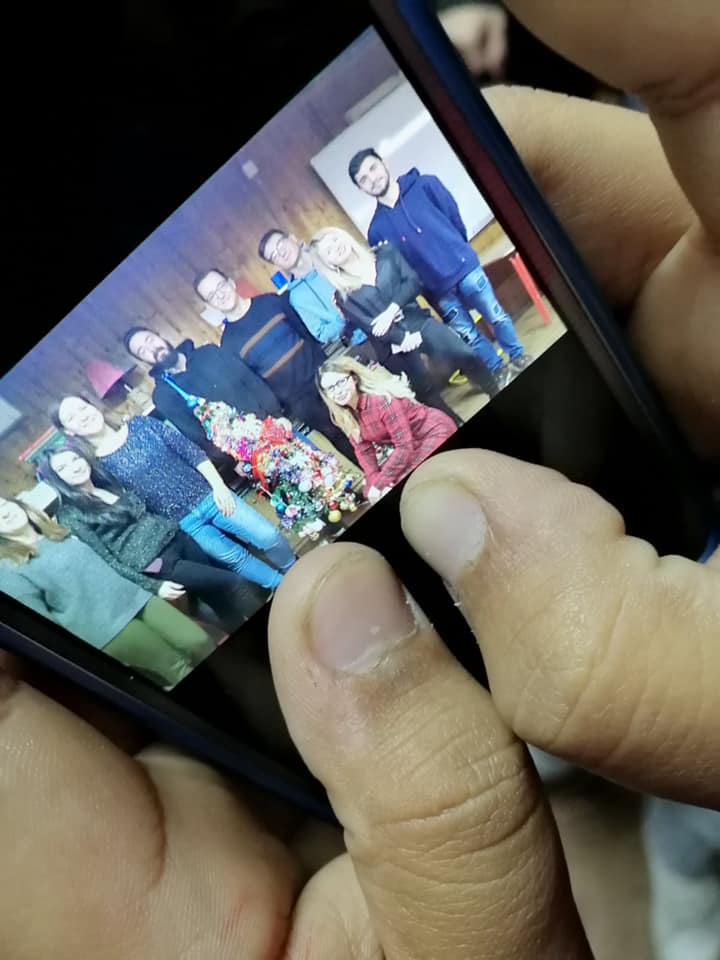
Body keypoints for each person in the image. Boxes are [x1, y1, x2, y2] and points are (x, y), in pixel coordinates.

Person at [3, 4, 719, 959]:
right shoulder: (154, 408)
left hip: (320, 422)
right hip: (248, 482)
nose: (197, 314)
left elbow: (277, 375)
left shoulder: (262, 316)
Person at [50, 396, 295, 590]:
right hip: (183, 526)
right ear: (68, 431)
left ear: (93, 405)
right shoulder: (96, 468)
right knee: (235, 559)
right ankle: (284, 587)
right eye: (71, 417)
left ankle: (294, 569)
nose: (82, 416)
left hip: (211, 497)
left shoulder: (140, 424)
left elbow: (190, 451)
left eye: (82, 407)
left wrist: (219, 486)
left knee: (268, 535)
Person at [37, 441, 266, 632]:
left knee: (218, 599)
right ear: (56, 478)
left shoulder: (108, 483)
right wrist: (152, 585)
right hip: (155, 564)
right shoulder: (70, 514)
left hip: (179, 538)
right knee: (233, 582)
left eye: (75, 458)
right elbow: (107, 560)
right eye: (63, 468)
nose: (74, 467)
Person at [348, 148, 532, 383]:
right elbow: (394, 270)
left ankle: (517, 355)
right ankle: (497, 370)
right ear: (360, 189)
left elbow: (454, 219)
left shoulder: (425, 185)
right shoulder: (376, 230)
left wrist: (456, 251)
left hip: (466, 269)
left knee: (496, 316)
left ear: (384, 163)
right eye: (364, 179)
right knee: (468, 335)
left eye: (373, 168)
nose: (372, 179)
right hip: (436, 291)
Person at [0, 497, 213, 689]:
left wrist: (150, 586)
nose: (5, 513)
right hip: (108, 630)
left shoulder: (60, 532)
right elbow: (43, 624)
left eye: (4, 505)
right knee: (178, 668)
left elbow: (109, 560)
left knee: (199, 641)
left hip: (137, 598)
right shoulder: (8, 569)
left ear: (19, 505)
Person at [311, 226, 503, 415]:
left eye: (335, 239)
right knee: (426, 394)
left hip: (417, 321)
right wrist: (402, 338)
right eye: (329, 251)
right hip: (390, 345)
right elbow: (372, 328)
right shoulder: (343, 296)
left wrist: (391, 311)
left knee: (465, 354)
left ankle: (496, 392)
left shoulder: (385, 253)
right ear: (328, 264)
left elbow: (413, 282)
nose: (336, 247)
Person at [194, 268, 357, 462]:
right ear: (209, 304)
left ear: (230, 283)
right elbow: (254, 383)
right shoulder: (228, 345)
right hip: (299, 402)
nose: (220, 295)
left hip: (325, 375)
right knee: (340, 439)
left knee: (363, 415)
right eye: (212, 295)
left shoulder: (271, 302)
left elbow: (305, 332)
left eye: (220, 286)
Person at [123, 328, 283, 462]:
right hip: (247, 456)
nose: (152, 349)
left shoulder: (209, 353)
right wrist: (233, 461)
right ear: (143, 361)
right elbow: (196, 435)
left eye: (150, 340)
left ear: (160, 336)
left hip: (274, 425)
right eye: (143, 351)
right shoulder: (163, 397)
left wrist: (276, 415)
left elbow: (251, 380)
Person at [318, 357, 456, 503]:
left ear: (354, 378)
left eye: (340, 382)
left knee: (405, 483)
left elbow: (404, 446)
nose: (338, 391)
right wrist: (374, 482)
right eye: (330, 388)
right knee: (371, 490)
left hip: (433, 433)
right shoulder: (346, 416)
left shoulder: (380, 401)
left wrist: (379, 485)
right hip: (411, 446)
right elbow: (364, 451)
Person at [257, 229, 368, 349]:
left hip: (377, 312)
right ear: (276, 267)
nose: (282, 253)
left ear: (292, 238)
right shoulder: (296, 297)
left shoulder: (327, 253)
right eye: (274, 255)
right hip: (360, 342)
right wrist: (340, 319)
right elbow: (321, 333)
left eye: (281, 244)